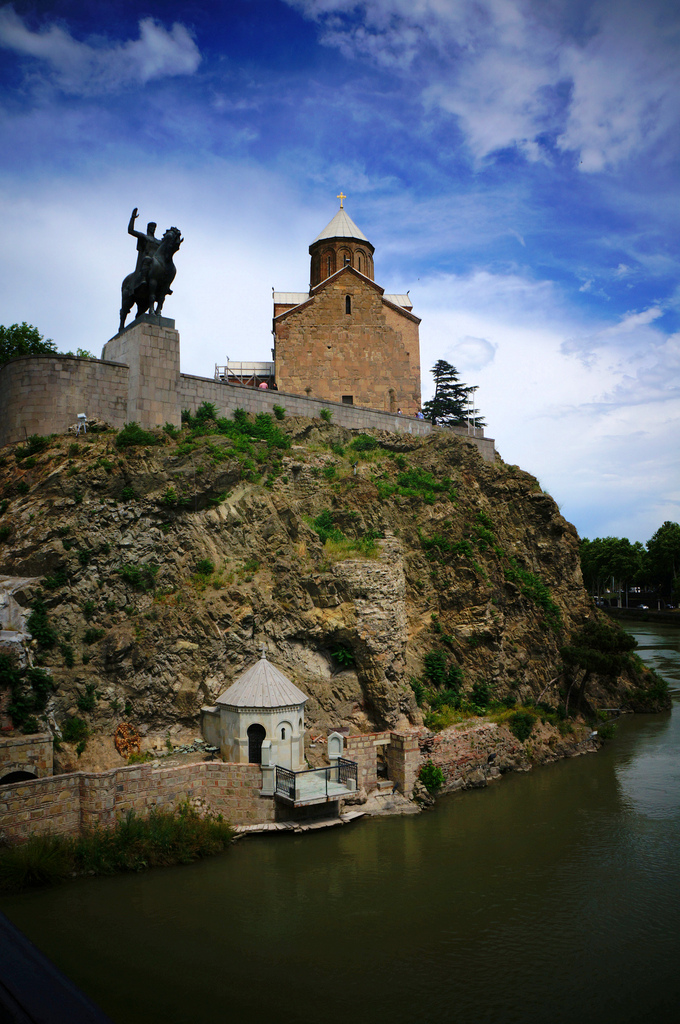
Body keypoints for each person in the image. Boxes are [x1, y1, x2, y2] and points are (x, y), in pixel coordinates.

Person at [128, 208, 160, 288]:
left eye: (154, 227)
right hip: (147, 259)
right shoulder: (144, 237)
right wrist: (132, 218)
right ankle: (143, 279)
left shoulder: (158, 242)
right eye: (151, 227)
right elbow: (130, 231)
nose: (153, 229)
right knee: (147, 259)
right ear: (148, 228)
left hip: (156, 261)